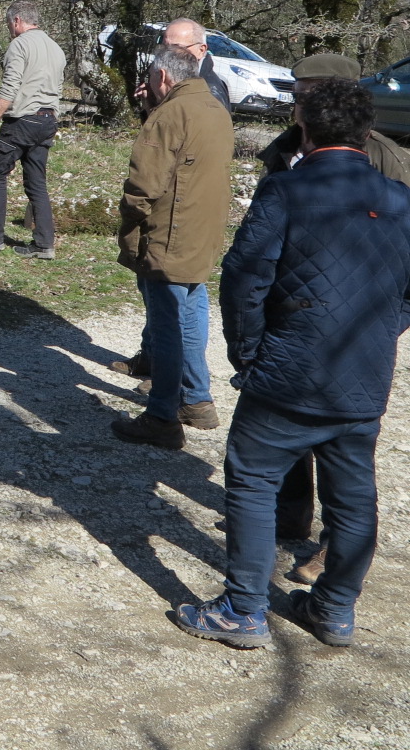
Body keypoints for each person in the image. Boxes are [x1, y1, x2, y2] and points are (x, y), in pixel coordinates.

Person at [174, 78, 410, 650]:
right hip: (363, 375)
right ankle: (332, 611)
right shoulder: (402, 200)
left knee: (253, 482)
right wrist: (380, 335)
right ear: (365, 131)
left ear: (303, 126)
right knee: (353, 496)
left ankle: (243, 609)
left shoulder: (285, 191)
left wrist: (249, 351)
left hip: (289, 371)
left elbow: (243, 278)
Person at [253, 53, 410, 583]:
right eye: (296, 92)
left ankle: (329, 551)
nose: (300, 102)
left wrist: (384, 324)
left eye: (310, 91)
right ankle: (289, 513)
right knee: (283, 431)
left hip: (355, 336)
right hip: (288, 322)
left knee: (343, 459)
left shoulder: (384, 158)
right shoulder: (282, 151)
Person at [110, 46, 234, 450]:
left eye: (148, 79)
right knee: (191, 312)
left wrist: (128, 225)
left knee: (166, 329)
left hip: (170, 234)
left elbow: (144, 185)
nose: (146, 86)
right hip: (203, 232)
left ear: (162, 77)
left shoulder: (169, 114)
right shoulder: (216, 107)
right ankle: (197, 401)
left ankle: (162, 416)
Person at [0, 0, 66, 260]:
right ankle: (44, 244)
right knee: (37, 184)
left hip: (22, 122)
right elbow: (59, 89)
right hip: (47, 120)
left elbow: (10, 86)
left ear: (17, 21)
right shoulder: (56, 48)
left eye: (10, 23)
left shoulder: (19, 45)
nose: (10, 28)